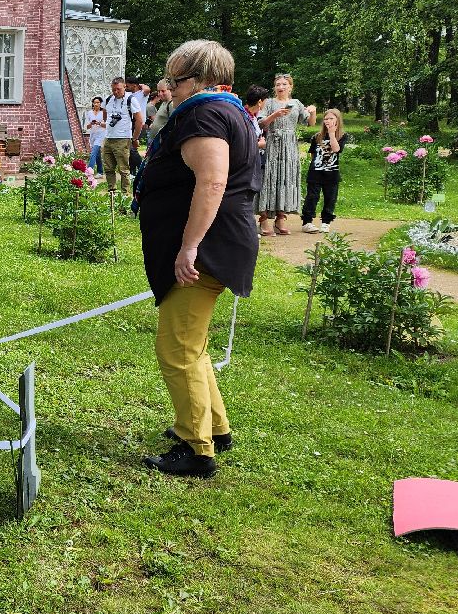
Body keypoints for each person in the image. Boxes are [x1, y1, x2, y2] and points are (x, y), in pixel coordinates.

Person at [136, 39, 262, 478]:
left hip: (208, 245)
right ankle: (216, 428)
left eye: (177, 80)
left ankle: (197, 448)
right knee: (194, 342)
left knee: (177, 348)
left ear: (203, 79)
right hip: (219, 240)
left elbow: (212, 183)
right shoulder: (227, 110)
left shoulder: (206, 113)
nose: (169, 88)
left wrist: (189, 247)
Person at [255, 73, 316, 237]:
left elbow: (309, 123)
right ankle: (264, 218)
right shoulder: (269, 103)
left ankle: (281, 217)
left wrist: (313, 111)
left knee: (286, 178)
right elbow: (260, 123)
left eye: (284, 84)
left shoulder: (296, 103)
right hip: (272, 143)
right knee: (269, 177)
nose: (281, 87)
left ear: (290, 87)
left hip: (290, 146)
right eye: (278, 84)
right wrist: (276, 115)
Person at [302, 108, 348, 233]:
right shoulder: (317, 137)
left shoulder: (342, 136)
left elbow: (336, 149)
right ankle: (307, 221)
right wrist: (317, 165)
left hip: (332, 173)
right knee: (312, 197)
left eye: (331, 118)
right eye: (326, 119)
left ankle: (326, 222)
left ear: (337, 121)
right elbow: (312, 154)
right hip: (316, 172)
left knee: (330, 198)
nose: (328, 121)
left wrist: (332, 134)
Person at [100, 77, 143, 195]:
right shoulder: (108, 99)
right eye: (113, 90)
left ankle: (124, 196)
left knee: (123, 169)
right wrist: (107, 123)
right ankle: (112, 194)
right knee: (108, 168)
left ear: (124, 86)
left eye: (118, 89)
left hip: (122, 138)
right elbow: (104, 112)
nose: (115, 92)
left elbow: (139, 121)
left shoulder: (131, 99)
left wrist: (135, 138)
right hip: (108, 137)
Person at [85, 96, 107, 173]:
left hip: (101, 135)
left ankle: (88, 171)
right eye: (94, 103)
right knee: (97, 155)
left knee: (93, 153)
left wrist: (99, 123)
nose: (96, 104)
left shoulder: (104, 112)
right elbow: (87, 127)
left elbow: (107, 126)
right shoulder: (89, 113)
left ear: (101, 103)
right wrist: (91, 123)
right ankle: (100, 172)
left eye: (98, 102)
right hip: (92, 136)